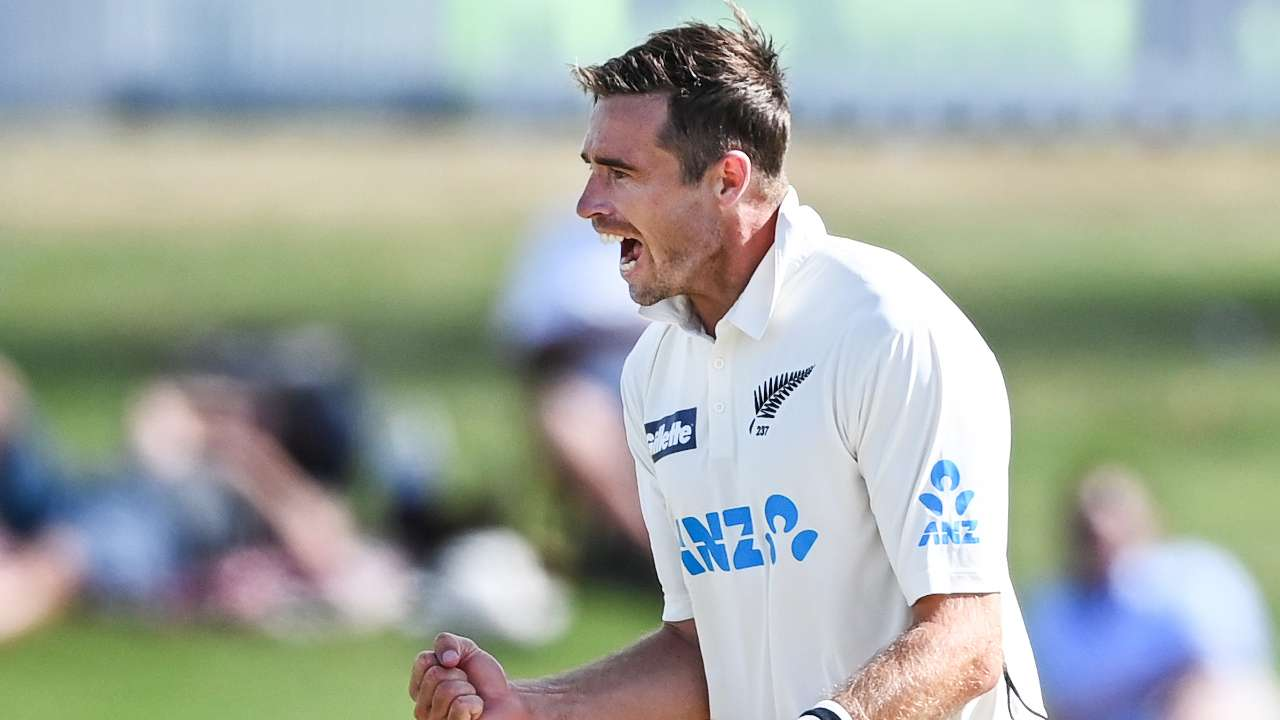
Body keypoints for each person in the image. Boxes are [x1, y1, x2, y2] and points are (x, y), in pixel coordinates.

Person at [409, 5, 1045, 720]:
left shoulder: (888, 330)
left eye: (620, 173)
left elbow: (965, 641)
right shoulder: (655, 370)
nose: (589, 205)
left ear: (727, 180)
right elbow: (699, 653)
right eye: (592, 171)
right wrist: (533, 706)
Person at [1028, 465, 1279, 720]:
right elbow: (1070, 699)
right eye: (1089, 530)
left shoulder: (1200, 574)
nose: (1104, 530)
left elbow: (1225, 669)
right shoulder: (1055, 608)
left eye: (1115, 516)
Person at [493, 207, 653, 583]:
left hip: (679, 380)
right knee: (568, 420)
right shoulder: (559, 238)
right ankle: (661, 560)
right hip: (593, 390)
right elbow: (526, 343)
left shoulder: (685, 229)